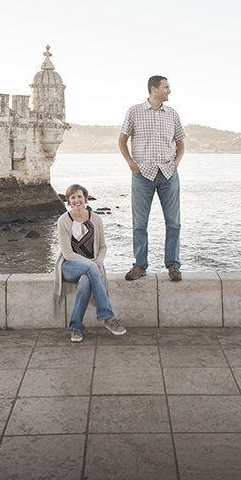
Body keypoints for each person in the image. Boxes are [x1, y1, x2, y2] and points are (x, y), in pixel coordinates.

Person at [118, 75, 187, 282]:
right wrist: (131, 164)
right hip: (142, 175)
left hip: (168, 174)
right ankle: (140, 266)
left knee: (174, 223)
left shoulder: (172, 114)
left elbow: (181, 143)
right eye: (166, 87)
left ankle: (173, 266)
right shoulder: (134, 111)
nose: (169, 91)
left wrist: (175, 164)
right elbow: (122, 140)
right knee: (140, 223)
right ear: (154, 89)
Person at [53, 184, 126, 343]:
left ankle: (76, 327)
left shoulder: (96, 219)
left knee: (86, 282)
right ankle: (107, 317)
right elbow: (68, 254)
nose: (76, 200)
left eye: (79, 196)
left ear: (85, 198)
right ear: (68, 201)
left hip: (90, 269)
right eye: (72, 197)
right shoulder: (63, 221)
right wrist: (92, 263)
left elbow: (103, 246)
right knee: (91, 268)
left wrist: (99, 260)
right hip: (68, 267)